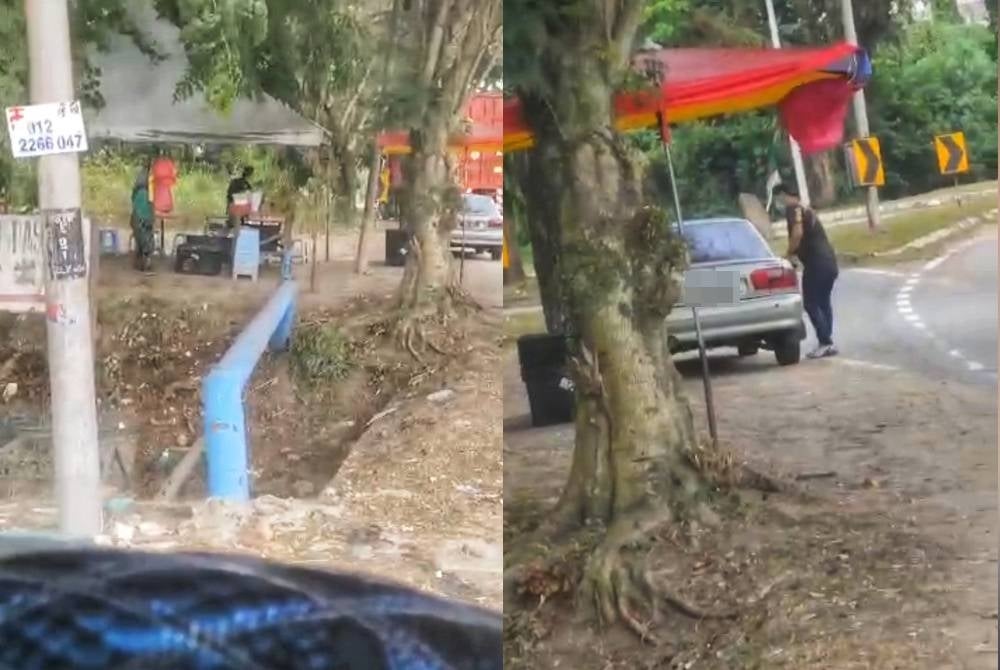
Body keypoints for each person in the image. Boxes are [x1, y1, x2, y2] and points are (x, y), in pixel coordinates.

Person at [776, 182, 839, 359]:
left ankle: (825, 341)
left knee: (811, 303)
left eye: (779, 197)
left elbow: (797, 233)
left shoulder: (793, 209)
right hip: (829, 262)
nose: (778, 202)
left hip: (816, 263)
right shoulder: (806, 208)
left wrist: (788, 254)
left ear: (784, 195)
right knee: (823, 302)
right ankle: (827, 342)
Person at [129, 163, 155, 272]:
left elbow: (133, 199)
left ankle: (141, 259)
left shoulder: (140, 184)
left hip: (139, 216)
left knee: (140, 237)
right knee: (146, 237)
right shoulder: (149, 183)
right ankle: (145, 259)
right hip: (144, 216)